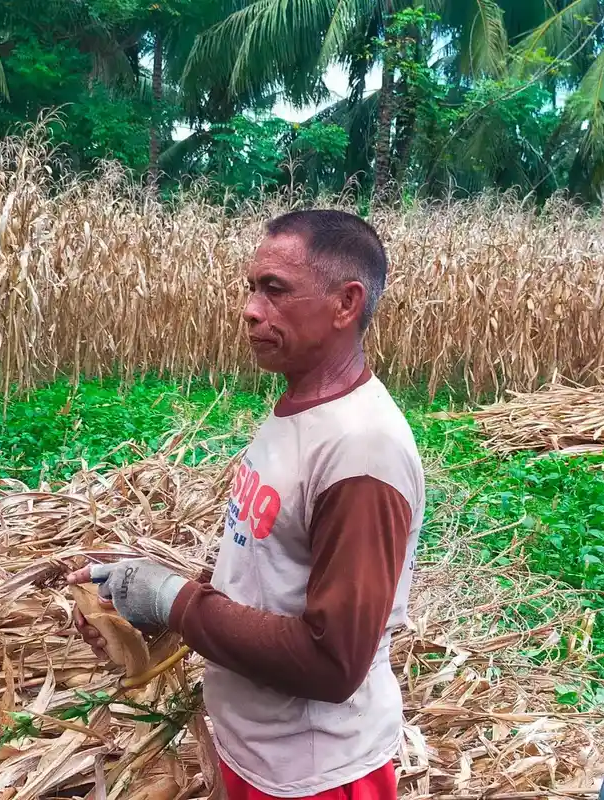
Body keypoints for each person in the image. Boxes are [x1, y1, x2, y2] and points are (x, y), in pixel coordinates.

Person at [66, 209, 425, 800]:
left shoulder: (362, 450)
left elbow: (334, 663)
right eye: (252, 289)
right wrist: (143, 606)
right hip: (261, 752)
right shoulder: (301, 410)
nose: (251, 310)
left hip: (315, 774)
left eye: (275, 291)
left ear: (346, 303)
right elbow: (264, 572)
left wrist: (174, 600)